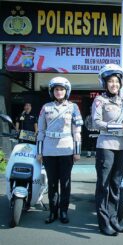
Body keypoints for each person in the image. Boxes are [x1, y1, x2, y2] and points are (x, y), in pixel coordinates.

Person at [92, 64, 123, 236]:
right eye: (110, 81)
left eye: (116, 82)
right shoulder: (99, 100)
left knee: (116, 185)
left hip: (122, 147)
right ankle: (103, 223)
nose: (114, 85)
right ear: (105, 83)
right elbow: (96, 123)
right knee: (103, 185)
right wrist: (121, 125)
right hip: (106, 147)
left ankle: (113, 219)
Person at [36, 77, 83, 224]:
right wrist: (39, 151)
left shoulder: (73, 107)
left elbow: (77, 131)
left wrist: (77, 151)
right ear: (52, 91)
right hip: (49, 150)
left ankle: (63, 211)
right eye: (56, 89)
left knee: (65, 183)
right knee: (52, 184)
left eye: (62, 89)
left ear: (66, 91)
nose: (59, 92)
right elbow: (41, 130)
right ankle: (52, 212)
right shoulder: (46, 107)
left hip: (66, 150)